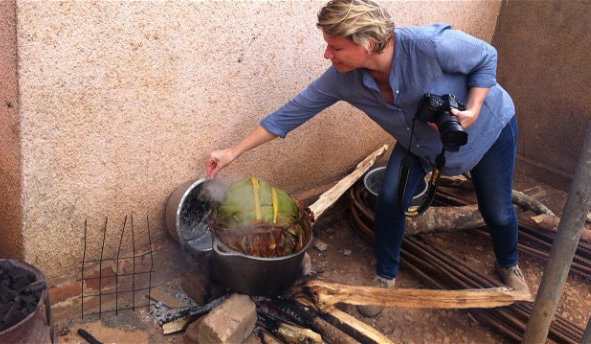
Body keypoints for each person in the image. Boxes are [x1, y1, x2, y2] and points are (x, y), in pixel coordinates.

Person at [206, 0, 531, 316]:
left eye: (336, 47)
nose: (327, 54)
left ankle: (508, 263)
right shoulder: (342, 79)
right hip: (418, 146)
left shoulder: (429, 45)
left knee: (498, 211)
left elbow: (486, 57)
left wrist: (472, 109)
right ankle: (385, 278)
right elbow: (291, 113)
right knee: (390, 198)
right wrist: (231, 152)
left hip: (488, 133)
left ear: (369, 42)